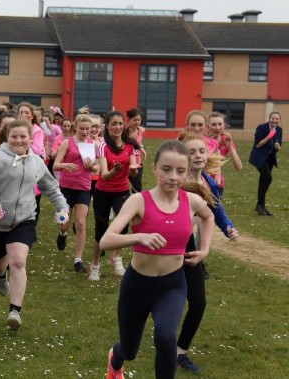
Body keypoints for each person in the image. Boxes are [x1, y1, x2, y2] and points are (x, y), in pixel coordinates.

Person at [101, 140, 214, 379]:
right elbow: (106, 241)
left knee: (166, 337)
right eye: (166, 169)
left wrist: (204, 249)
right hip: (137, 286)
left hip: (172, 285)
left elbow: (208, 216)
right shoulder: (138, 201)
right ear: (154, 168)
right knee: (130, 350)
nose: (173, 176)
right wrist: (138, 237)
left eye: (180, 171)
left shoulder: (191, 201)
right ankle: (116, 359)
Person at [0, 119, 69, 331]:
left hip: (24, 219)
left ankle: (15, 310)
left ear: (30, 138)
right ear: (7, 138)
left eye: (23, 136)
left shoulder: (36, 161)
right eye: (14, 136)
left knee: (18, 261)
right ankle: (0, 277)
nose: (18, 140)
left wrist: (63, 208)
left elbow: (51, 187)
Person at [176, 131, 239, 374]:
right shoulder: (175, 179)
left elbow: (216, 209)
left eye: (202, 151)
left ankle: (180, 353)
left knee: (198, 302)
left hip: (191, 249)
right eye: (192, 151)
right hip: (170, 246)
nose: (198, 155)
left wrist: (228, 227)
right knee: (167, 299)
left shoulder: (208, 182)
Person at [90, 110, 141, 281]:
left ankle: (116, 258)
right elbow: (103, 175)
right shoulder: (103, 146)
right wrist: (115, 170)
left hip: (122, 191)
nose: (117, 127)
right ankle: (95, 265)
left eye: (120, 123)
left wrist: (133, 170)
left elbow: (133, 171)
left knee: (123, 225)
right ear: (107, 126)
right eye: (114, 124)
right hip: (103, 192)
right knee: (101, 229)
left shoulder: (130, 146)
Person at [53, 113, 99, 274]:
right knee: (65, 221)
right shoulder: (67, 142)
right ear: (75, 128)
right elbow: (55, 165)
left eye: (88, 128)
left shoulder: (93, 145)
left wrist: (91, 167)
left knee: (80, 223)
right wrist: (65, 165)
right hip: (66, 187)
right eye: (82, 128)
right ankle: (62, 232)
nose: (85, 131)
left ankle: (78, 260)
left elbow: (97, 168)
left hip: (83, 188)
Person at [249, 111, 283, 216]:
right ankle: (260, 205)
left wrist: (277, 146)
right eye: (273, 118)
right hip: (259, 157)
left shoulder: (280, 130)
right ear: (269, 118)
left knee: (263, 180)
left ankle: (260, 206)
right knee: (268, 178)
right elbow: (258, 145)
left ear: (279, 120)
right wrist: (269, 136)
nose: (275, 121)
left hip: (269, 158)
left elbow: (278, 147)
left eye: (277, 119)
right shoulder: (261, 128)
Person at [206, 112, 243, 199]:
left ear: (224, 126)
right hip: (202, 181)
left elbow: (239, 167)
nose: (217, 127)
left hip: (218, 183)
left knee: (214, 211)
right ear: (208, 126)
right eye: (214, 124)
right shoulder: (203, 140)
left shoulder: (225, 140)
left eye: (220, 124)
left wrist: (229, 147)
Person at [126, 108, 147, 193]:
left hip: (137, 162)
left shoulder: (141, 130)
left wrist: (142, 148)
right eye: (134, 120)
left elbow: (139, 143)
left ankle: (136, 200)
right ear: (129, 119)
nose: (137, 122)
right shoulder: (124, 130)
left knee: (138, 186)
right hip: (126, 161)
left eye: (139, 120)